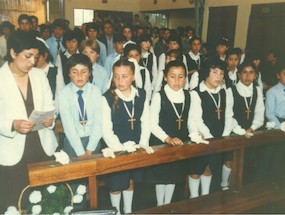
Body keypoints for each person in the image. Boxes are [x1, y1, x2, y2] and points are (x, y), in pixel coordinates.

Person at [0, 30, 58, 211]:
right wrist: (12, 125)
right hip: (13, 150)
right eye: (27, 56)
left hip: (42, 146)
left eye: (36, 56)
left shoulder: (39, 75)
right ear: (13, 53)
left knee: (47, 201)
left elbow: (50, 105)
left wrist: (50, 119)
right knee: (16, 202)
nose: (32, 62)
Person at [102, 58, 152, 214]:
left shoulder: (141, 95)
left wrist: (143, 143)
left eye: (124, 76)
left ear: (133, 77)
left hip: (136, 147)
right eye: (116, 76)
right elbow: (106, 130)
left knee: (130, 181)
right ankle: (116, 211)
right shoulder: (107, 98)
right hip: (116, 149)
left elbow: (146, 121)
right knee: (116, 184)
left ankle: (128, 210)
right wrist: (121, 149)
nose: (119, 80)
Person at [148, 60, 199, 206]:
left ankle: (168, 204)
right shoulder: (159, 96)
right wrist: (167, 138)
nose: (177, 81)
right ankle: (160, 205)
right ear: (165, 77)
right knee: (162, 177)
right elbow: (152, 124)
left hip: (179, 143)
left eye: (181, 77)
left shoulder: (188, 96)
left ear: (185, 78)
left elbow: (191, 120)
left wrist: (195, 134)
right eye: (172, 76)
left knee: (173, 176)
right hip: (162, 142)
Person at [188, 59, 232, 197]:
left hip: (220, 138)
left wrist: (224, 136)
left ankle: (206, 197)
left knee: (210, 168)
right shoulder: (196, 93)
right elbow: (196, 119)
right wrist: (210, 137)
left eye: (221, 73)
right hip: (203, 137)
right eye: (214, 72)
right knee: (197, 169)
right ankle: (194, 198)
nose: (218, 76)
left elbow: (229, 116)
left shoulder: (225, 93)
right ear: (206, 73)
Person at [227, 61, 264, 185]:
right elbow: (229, 115)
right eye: (245, 72)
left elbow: (259, 113)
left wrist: (252, 128)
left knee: (249, 162)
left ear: (255, 75)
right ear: (239, 75)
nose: (248, 76)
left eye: (251, 73)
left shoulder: (257, 91)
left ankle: (245, 188)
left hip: (251, 132)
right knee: (231, 161)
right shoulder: (230, 91)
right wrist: (241, 131)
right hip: (235, 131)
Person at [58, 53, 102, 158]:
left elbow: (99, 122)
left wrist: (90, 148)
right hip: (72, 142)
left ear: (90, 73)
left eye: (84, 72)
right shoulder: (64, 94)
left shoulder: (95, 91)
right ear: (69, 73)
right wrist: (80, 152)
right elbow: (68, 126)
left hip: (93, 141)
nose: (79, 76)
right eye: (74, 72)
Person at [35, 37, 65, 113]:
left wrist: (56, 113)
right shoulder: (31, 71)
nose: (34, 61)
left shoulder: (55, 71)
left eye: (37, 57)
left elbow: (60, 94)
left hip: (51, 111)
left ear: (45, 55)